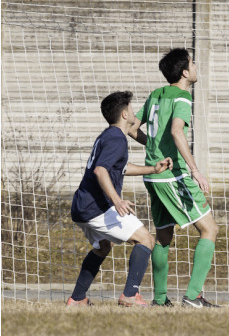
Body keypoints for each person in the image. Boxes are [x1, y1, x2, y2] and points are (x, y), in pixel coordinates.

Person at [67, 91, 173, 307]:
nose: (135, 112)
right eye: (132, 109)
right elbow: (100, 170)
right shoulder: (117, 138)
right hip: (97, 207)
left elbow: (119, 168)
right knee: (146, 239)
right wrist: (117, 200)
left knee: (102, 247)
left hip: (82, 206)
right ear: (125, 114)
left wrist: (152, 169)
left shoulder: (107, 136)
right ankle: (130, 295)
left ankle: (77, 298)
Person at [136, 48, 220, 308]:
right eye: (193, 62)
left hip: (153, 175)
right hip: (174, 175)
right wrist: (194, 169)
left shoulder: (156, 95)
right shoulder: (182, 97)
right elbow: (176, 131)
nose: (196, 66)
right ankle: (193, 296)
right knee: (210, 229)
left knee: (163, 236)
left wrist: (152, 148)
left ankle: (160, 299)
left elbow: (131, 127)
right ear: (185, 72)